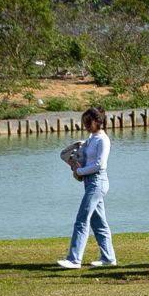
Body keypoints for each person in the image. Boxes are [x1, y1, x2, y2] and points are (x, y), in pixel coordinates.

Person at [57, 107, 116, 269]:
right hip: (90, 182)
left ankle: (74, 259)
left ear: (98, 122)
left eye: (88, 123)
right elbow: (89, 161)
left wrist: (79, 171)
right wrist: (77, 165)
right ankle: (108, 258)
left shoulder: (103, 140)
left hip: (98, 182)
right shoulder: (92, 138)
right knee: (99, 222)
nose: (86, 126)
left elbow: (100, 165)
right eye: (84, 123)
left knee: (82, 219)